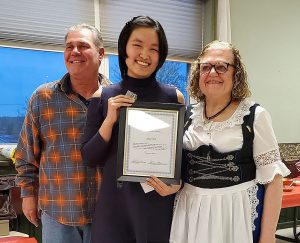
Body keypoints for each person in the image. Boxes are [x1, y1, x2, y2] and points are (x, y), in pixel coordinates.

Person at [169, 40, 290, 243]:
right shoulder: (187, 116)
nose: (213, 72)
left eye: (222, 66)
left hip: (235, 213)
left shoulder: (254, 116)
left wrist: (268, 237)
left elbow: (274, 180)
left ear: (236, 74)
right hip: (190, 211)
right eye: (205, 67)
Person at [81, 16, 184, 243]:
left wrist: (178, 184)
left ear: (161, 54)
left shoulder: (174, 97)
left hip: (157, 205)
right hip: (115, 207)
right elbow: (89, 157)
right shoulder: (103, 96)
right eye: (137, 45)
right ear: (124, 47)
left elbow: (181, 158)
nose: (144, 54)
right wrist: (109, 121)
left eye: (153, 48)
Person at [14, 23, 111, 243]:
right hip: (57, 212)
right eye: (69, 46)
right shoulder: (43, 98)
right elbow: (25, 154)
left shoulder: (117, 100)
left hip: (107, 213)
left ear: (101, 53)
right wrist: (28, 195)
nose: (74, 52)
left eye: (83, 46)